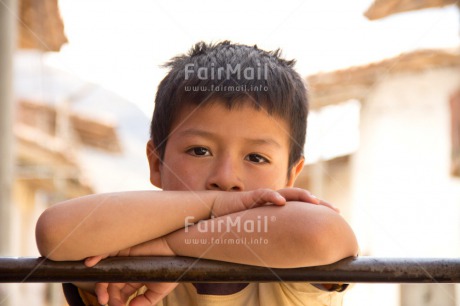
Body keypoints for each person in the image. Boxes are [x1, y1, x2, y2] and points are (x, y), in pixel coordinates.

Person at [36, 41, 358, 306]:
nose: (227, 178)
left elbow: (324, 234)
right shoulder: (131, 271)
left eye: (256, 157)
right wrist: (215, 207)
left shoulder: (290, 270)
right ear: (156, 163)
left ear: (291, 176)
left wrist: (172, 246)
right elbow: (54, 232)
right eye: (200, 151)